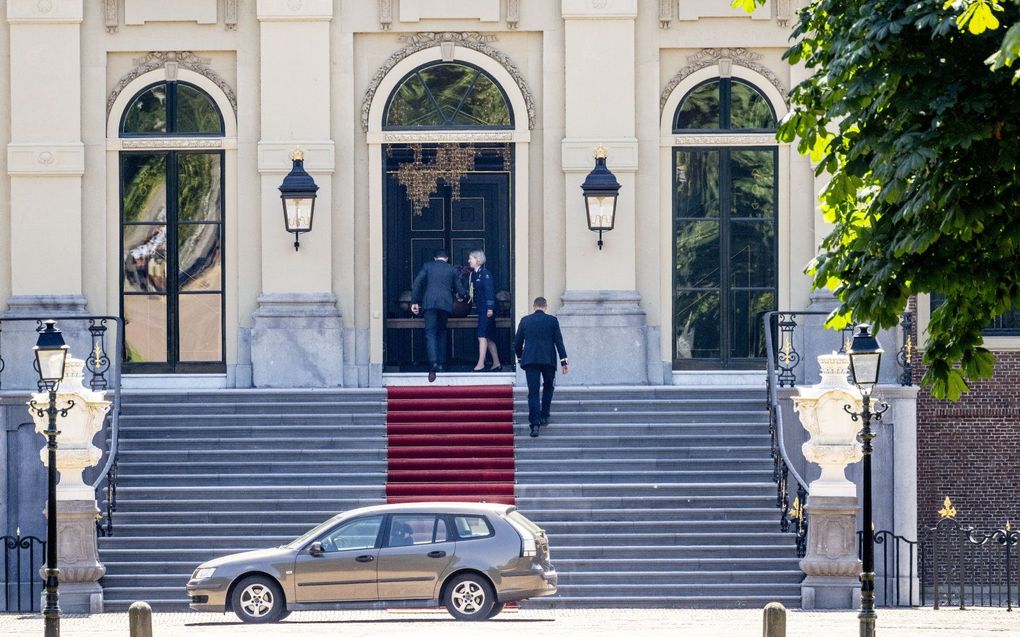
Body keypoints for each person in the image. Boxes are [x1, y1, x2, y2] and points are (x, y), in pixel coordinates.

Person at [513, 297, 569, 438]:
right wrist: (564, 361)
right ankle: (544, 415)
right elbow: (559, 342)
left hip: (530, 360)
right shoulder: (552, 321)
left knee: (533, 392)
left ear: (534, 306)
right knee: (548, 386)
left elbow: (517, 342)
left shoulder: (525, 320)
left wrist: (520, 357)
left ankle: (535, 424)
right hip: (548, 360)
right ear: (545, 306)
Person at [411, 249, 467, 382]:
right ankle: (441, 363)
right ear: (447, 258)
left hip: (429, 303)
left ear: (435, 258)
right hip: (445, 304)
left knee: (430, 333)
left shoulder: (427, 266)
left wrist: (414, 301)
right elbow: (459, 288)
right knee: (442, 332)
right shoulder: (451, 269)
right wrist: (465, 296)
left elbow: (417, 283)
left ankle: (433, 363)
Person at [468, 250, 502, 372]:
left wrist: (490, 308)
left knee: (481, 335)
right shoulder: (475, 274)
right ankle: (496, 362)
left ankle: (481, 363)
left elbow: (489, 292)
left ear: (477, 259)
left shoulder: (485, 274)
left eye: (470, 258)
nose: (469, 261)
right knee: (488, 337)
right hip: (482, 309)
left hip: (487, 310)